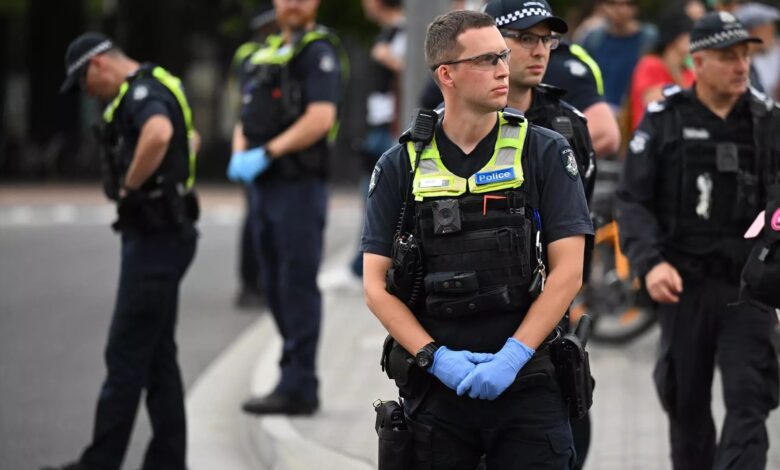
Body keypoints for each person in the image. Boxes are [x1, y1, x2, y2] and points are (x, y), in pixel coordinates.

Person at [363, 10, 593, 468]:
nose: (504, 69)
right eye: (488, 59)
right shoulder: (399, 164)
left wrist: (512, 356)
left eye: (503, 56)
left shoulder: (544, 150)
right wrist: (435, 357)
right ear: (446, 74)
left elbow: (569, 271)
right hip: (437, 392)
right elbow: (375, 285)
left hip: (529, 383)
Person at [615, 12, 780, 469]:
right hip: (682, 285)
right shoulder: (665, 120)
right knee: (686, 406)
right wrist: (650, 263)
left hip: (748, 288)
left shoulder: (768, 122)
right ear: (699, 61)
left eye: (746, 55)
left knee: (750, 401)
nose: (741, 66)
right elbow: (632, 200)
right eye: (729, 56)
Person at [43, 32, 199, 470]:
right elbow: (193, 138)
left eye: (84, 84)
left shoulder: (141, 93)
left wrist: (131, 186)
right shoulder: (161, 82)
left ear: (97, 66)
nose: (87, 94)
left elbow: (160, 132)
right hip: (169, 233)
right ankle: (168, 461)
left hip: (154, 239)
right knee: (157, 358)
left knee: (126, 353)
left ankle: (100, 462)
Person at [482, 2, 598, 467]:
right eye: (524, 38)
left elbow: (575, 230)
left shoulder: (570, 125)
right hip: (467, 308)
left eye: (545, 39)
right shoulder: (445, 122)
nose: (539, 50)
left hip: (546, 310)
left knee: (565, 435)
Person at [229, 0, 345, 416]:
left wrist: (268, 151)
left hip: (298, 185)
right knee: (272, 283)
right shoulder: (262, 52)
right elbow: (246, 113)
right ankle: (290, 375)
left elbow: (320, 117)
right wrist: (241, 151)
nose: (294, 3)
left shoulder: (319, 52)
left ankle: (300, 385)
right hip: (263, 186)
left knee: (296, 284)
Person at [350, 0, 406, 278]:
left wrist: (388, 57)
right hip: (380, 125)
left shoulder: (402, 31)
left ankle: (369, 262)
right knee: (370, 191)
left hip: (391, 127)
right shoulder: (390, 32)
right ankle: (361, 261)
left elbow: (414, 70)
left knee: (379, 194)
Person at [228, 8, 278, 310]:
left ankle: (262, 282)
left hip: (268, 146)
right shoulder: (251, 55)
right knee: (256, 219)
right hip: (255, 145)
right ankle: (250, 284)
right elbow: (247, 107)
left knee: (265, 219)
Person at [544, 38, 621, 157]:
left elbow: (606, 135)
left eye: (527, 39)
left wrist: (557, 167)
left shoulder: (560, 64)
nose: (538, 51)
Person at [578, 0, 658, 115]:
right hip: (600, 112)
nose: (620, 10)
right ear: (602, 6)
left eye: (628, 4)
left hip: (635, 115)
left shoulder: (649, 39)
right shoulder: (593, 39)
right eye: (613, 4)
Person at [628, 7, 695, 130]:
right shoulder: (649, 65)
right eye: (689, 34)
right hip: (651, 138)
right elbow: (652, 101)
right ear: (677, 37)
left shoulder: (689, 72)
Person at [736, 2, 780, 98]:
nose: (773, 36)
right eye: (770, 29)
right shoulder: (738, 68)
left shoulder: (752, 65)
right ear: (754, 31)